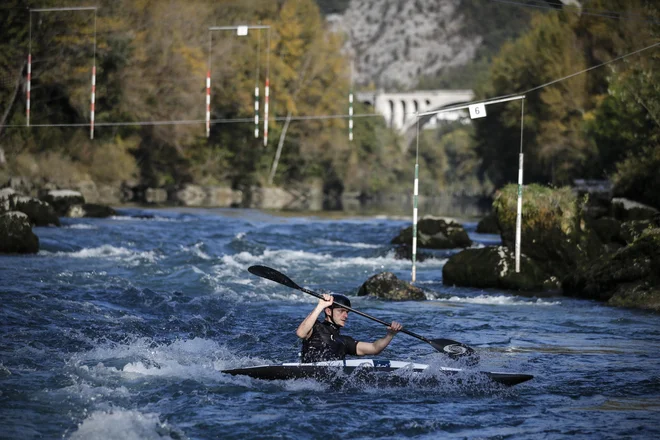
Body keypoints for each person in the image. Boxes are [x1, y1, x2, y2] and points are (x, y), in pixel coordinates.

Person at [296, 293, 402, 363]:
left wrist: (390, 335)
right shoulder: (315, 327)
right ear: (328, 311)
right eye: (341, 311)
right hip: (307, 381)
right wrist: (320, 306)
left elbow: (374, 348)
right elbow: (301, 333)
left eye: (347, 312)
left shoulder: (344, 341)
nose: (345, 316)